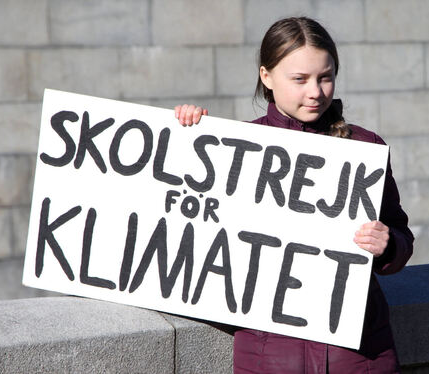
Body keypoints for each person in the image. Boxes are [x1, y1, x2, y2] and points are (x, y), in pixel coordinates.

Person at [175, 16, 414, 374]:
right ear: (266, 77)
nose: (315, 91)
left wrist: (389, 244)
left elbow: (400, 235)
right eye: (300, 79)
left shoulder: (365, 147)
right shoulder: (237, 147)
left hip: (361, 356)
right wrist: (184, 135)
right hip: (269, 358)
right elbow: (184, 224)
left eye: (325, 76)